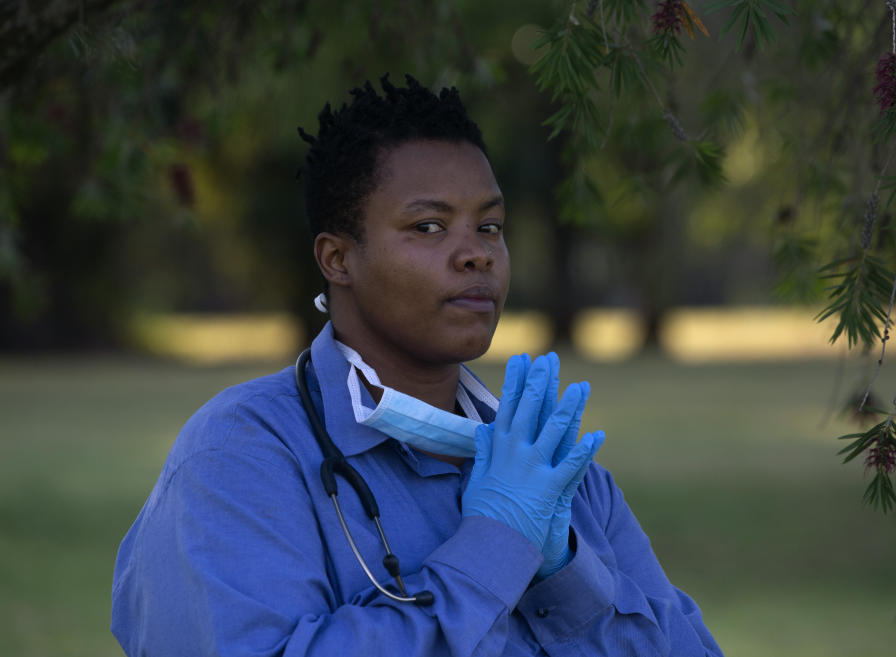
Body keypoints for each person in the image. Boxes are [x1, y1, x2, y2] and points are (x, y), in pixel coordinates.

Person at [111, 75, 723, 657]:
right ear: (338, 258)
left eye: (490, 226)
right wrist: (496, 545)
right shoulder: (241, 455)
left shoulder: (554, 470)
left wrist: (565, 569)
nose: (476, 254)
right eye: (428, 226)